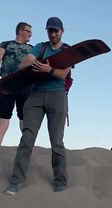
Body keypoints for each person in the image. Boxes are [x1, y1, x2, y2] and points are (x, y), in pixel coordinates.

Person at [4, 17, 71, 195]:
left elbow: (63, 74)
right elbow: (24, 62)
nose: (53, 33)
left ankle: (60, 182)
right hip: (36, 94)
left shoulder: (67, 50)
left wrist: (48, 70)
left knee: (57, 142)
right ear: (47, 31)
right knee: (27, 138)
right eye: (50, 30)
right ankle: (16, 181)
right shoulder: (41, 47)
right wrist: (38, 65)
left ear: (62, 31)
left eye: (56, 30)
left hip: (57, 96)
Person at [0, 22, 33, 147]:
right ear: (20, 31)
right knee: (4, 113)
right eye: (28, 31)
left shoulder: (32, 48)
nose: (30, 34)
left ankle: (26, 145)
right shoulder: (5, 44)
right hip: (6, 83)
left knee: (24, 114)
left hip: (25, 85)